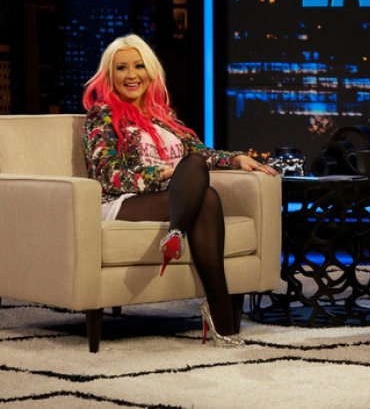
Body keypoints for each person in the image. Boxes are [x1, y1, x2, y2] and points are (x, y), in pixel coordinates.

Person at [82, 33, 277, 348]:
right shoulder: (101, 115)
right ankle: (221, 313)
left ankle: (177, 235)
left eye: (138, 66)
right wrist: (163, 173)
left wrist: (236, 159)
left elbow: (201, 153)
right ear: (110, 75)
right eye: (121, 68)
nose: (131, 75)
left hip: (173, 198)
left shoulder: (164, 116)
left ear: (151, 71)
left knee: (204, 188)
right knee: (198, 179)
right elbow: (107, 175)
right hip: (124, 202)